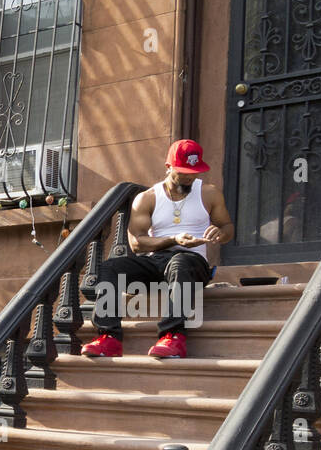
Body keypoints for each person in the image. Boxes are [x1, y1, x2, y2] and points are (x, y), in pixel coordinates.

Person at [80, 139, 235, 360]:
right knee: (110, 268)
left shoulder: (209, 193)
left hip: (192, 264)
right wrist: (173, 239)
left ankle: (173, 336)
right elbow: (136, 243)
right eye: (183, 172)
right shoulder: (148, 198)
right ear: (168, 167)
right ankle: (109, 338)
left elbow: (227, 227)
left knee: (180, 261)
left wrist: (221, 234)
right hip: (156, 262)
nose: (190, 176)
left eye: (194, 171)